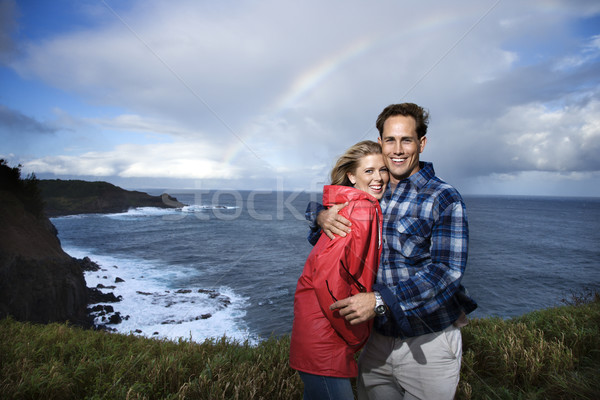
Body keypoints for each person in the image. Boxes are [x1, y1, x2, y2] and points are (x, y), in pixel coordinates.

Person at [308, 103, 477, 400]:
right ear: (380, 142)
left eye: (406, 140)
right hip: (377, 342)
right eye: (390, 140)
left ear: (421, 144)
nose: (397, 149)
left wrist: (378, 300)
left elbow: (445, 272)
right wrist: (320, 217)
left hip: (428, 343)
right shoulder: (372, 193)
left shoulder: (443, 197)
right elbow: (330, 215)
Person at [290, 140, 390, 400]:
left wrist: (319, 214)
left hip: (318, 334)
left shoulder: (359, 205)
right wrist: (353, 335)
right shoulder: (362, 209)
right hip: (325, 339)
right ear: (352, 176)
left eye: (382, 170)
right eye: (368, 171)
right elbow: (327, 278)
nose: (378, 178)